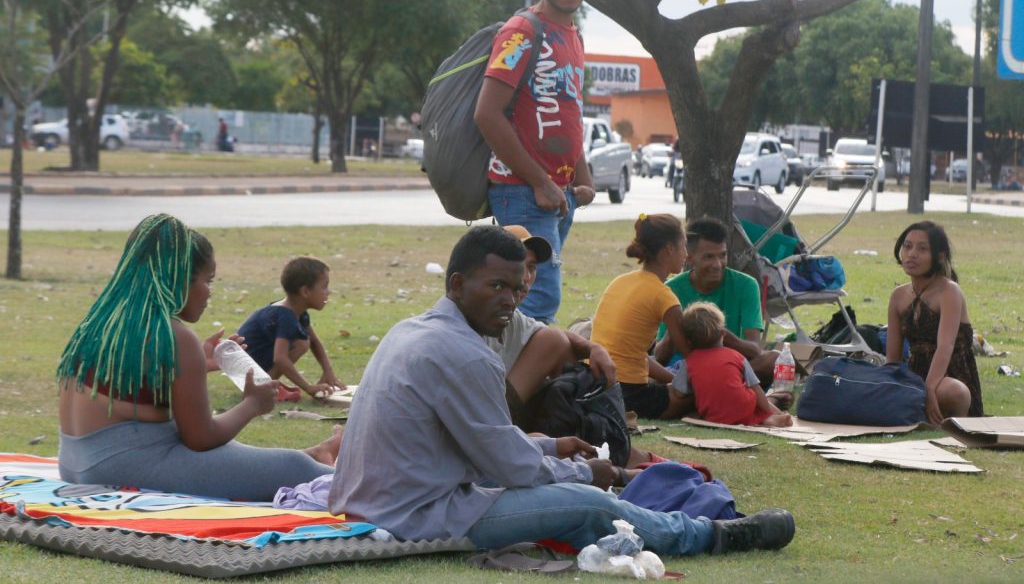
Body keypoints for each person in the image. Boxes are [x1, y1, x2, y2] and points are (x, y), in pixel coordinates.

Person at [328, 225, 795, 555]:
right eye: (496, 286)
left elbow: (474, 440)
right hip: (416, 515)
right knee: (588, 505)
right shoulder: (464, 353)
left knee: (572, 477)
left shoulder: (411, 330)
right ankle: (708, 535)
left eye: (515, 288)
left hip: (379, 500)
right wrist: (587, 474)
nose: (509, 300)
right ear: (457, 284)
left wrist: (552, 445)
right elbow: (509, 466)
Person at [56, 214, 339, 501]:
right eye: (208, 280)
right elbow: (201, 439)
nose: (209, 292)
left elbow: (126, 387)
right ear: (178, 279)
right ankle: (318, 462)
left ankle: (317, 454)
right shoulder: (175, 337)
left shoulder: (101, 322)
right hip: (123, 468)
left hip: (74, 463)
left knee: (266, 461)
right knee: (293, 467)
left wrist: (199, 365)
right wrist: (253, 404)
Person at [474, 0, 595, 324]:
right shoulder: (522, 31)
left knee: (529, 302)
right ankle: (505, 385)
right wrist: (541, 181)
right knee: (536, 302)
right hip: (522, 191)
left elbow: (569, 109)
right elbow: (487, 114)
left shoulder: (573, 35)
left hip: (558, 194)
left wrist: (582, 175)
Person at [485, 225, 616, 427]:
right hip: (480, 423)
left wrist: (594, 349)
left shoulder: (513, 317)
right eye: (519, 266)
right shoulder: (473, 317)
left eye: (531, 267)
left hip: (498, 415)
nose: (526, 277)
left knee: (557, 342)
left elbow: (552, 336)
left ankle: (574, 429)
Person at [655, 217, 779, 397]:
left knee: (773, 359)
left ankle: (704, 393)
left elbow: (754, 349)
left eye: (722, 255)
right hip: (685, 367)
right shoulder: (672, 288)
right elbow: (660, 357)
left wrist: (719, 334)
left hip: (728, 365)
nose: (718, 264)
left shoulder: (746, 285)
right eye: (709, 257)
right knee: (649, 368)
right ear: (689, 258)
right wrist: (675, 328)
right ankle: (724, 392)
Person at [590, 214, 693, 421]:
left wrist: (670, 380)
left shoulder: (619, 281)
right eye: (683, 246)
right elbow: (692, 356)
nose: (687, 254)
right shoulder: (664, 296)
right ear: (668, 250)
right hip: (629, 393)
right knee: (696, 395)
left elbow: (631, 352)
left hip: (592, 382)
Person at [886, 221, 983, 424]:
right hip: (915, 376)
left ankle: (945, 419)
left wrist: (930, 388)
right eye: (907, 246)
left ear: (939, 256)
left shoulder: (949, 291)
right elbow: (893, 360)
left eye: (922, 249)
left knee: (956, 392)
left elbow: (945, 347)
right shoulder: (898, 296)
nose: (911, 254)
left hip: (948, 375)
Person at [236, 256, 344, 401]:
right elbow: (280, 358)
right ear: (305, 291)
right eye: (324, 287)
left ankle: (265, 383)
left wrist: (328, 372)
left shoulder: (296, 311)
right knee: (301, 343)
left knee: (305, 340)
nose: (328, 292)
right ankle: (263, 388)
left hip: (250, 366)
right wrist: (309, 388)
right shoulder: (285, 315)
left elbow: (315, 342)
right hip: (245, 370)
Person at [678, 303, 792, 428]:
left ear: (688, 341)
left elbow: (679, 393)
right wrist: (771, 411)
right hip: (744, 410)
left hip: (713, 416)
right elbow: (756, 389)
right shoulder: (736, 356)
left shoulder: (688, 362)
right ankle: (767, 419)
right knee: (750, 397)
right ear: (723, 334)